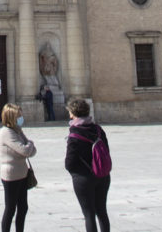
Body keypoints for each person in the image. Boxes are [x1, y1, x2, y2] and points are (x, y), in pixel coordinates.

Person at [65, 98, 110, 232]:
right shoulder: (98, 129)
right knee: (102, 212)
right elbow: (106, 151)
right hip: (102, 176)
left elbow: (70, 162)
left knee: (89, 214)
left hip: (83, 178)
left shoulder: (74, 133)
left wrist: (75, 173)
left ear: (73, 113)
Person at [0, 103, 36, 232]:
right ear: (11, 117)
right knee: (10, 208)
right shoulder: (6, 133)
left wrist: (29, 145)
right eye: (18, 115)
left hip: (22, 173)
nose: (21, 117)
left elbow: (31, 151)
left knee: (23, 207)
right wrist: (30, 143)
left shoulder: (17, 130)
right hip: (11, 175)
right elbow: (25, 150)